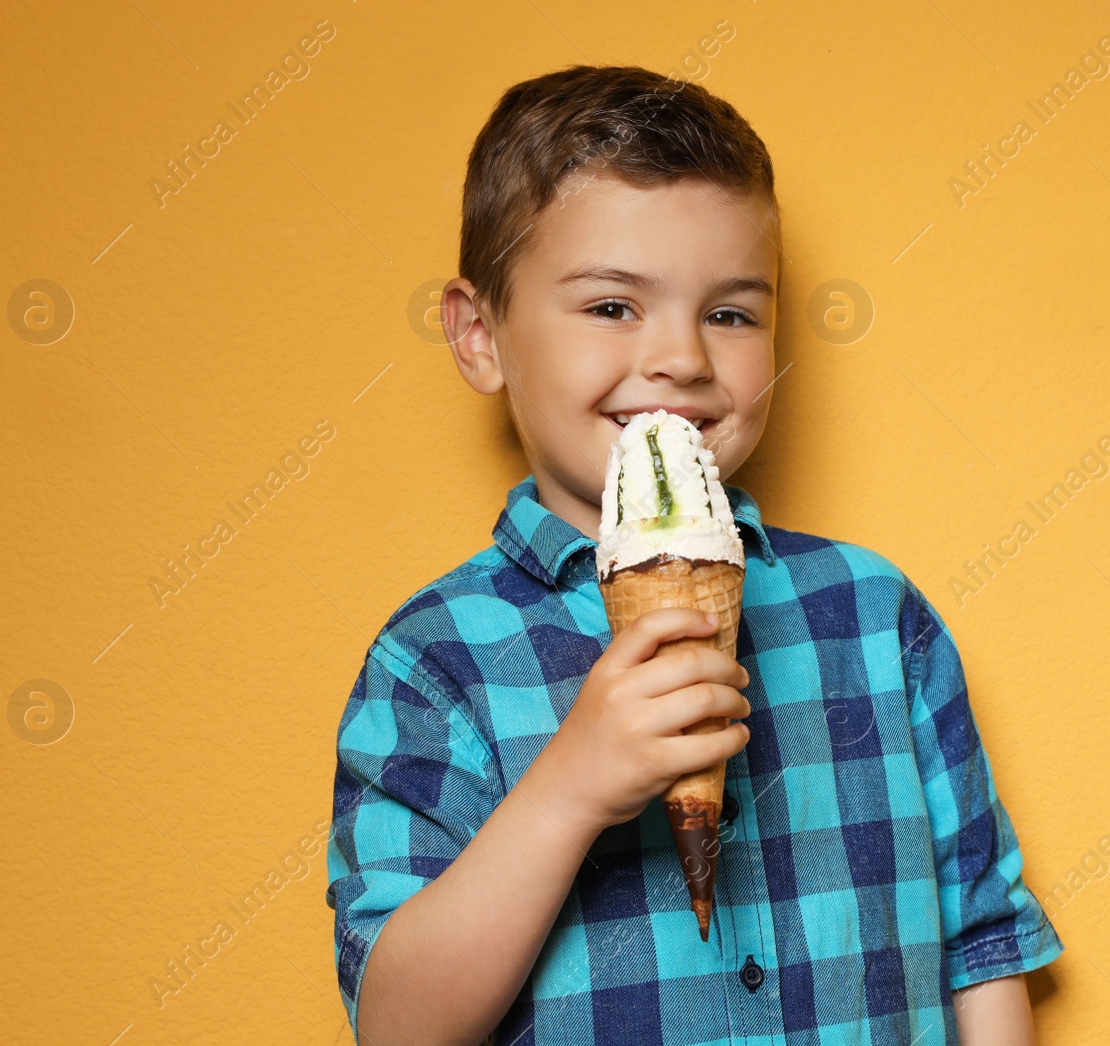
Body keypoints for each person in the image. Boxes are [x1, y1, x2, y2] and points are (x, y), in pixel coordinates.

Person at [326, 64, 1062, 1046]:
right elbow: (397, 1025)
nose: (680, 356)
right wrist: (572, 784)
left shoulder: (875, 614)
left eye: (730, 312)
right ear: (480, 334)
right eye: (611, 306)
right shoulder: (435, 658)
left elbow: (981, 949)